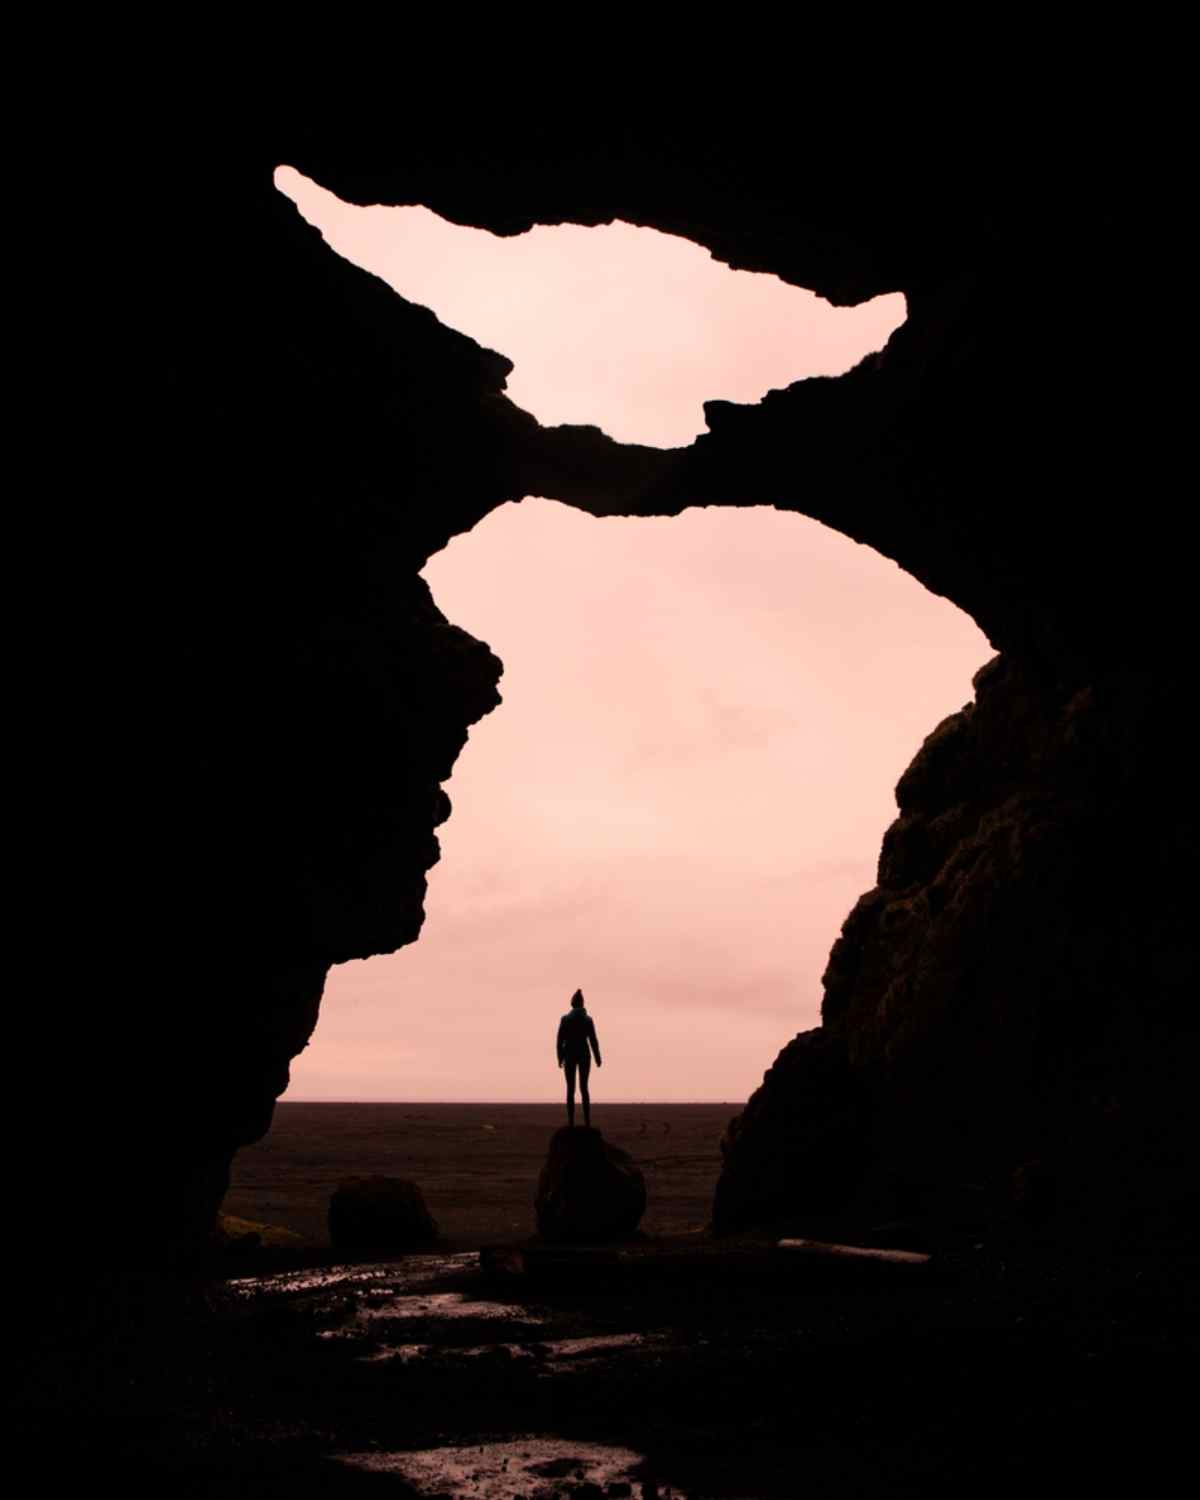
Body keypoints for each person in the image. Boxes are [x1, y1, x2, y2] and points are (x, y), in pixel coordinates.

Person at [556, 988, 602, 1127]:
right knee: (584, 1088)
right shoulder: (588, 1019)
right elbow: (593, 1040)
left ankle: (571, 1123)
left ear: (572, 1003)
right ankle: (587, 1122)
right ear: (582, 1004)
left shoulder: (565, 1019)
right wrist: (597, 1057)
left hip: (569, 1054)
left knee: (570, 1089)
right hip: (584, 1055)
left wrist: (560, 1057)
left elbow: (559, 1040)